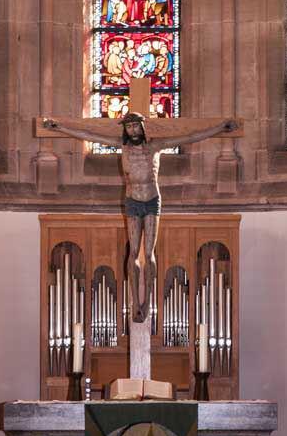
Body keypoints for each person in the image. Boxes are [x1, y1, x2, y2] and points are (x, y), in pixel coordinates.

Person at [42, 113, 236, 321]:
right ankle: (135, 301)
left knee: (149, 252)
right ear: (125, 129)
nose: (133, 130)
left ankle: (148, 301)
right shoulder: (122, 146)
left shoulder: (155, 146)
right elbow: (89, 135)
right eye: (129, 127)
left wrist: (220, 128)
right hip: (132, 201)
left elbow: (190, 137)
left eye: (136, 126)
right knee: (133, 252)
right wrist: (59, 127)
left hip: (152, 200)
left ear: (143, 127)